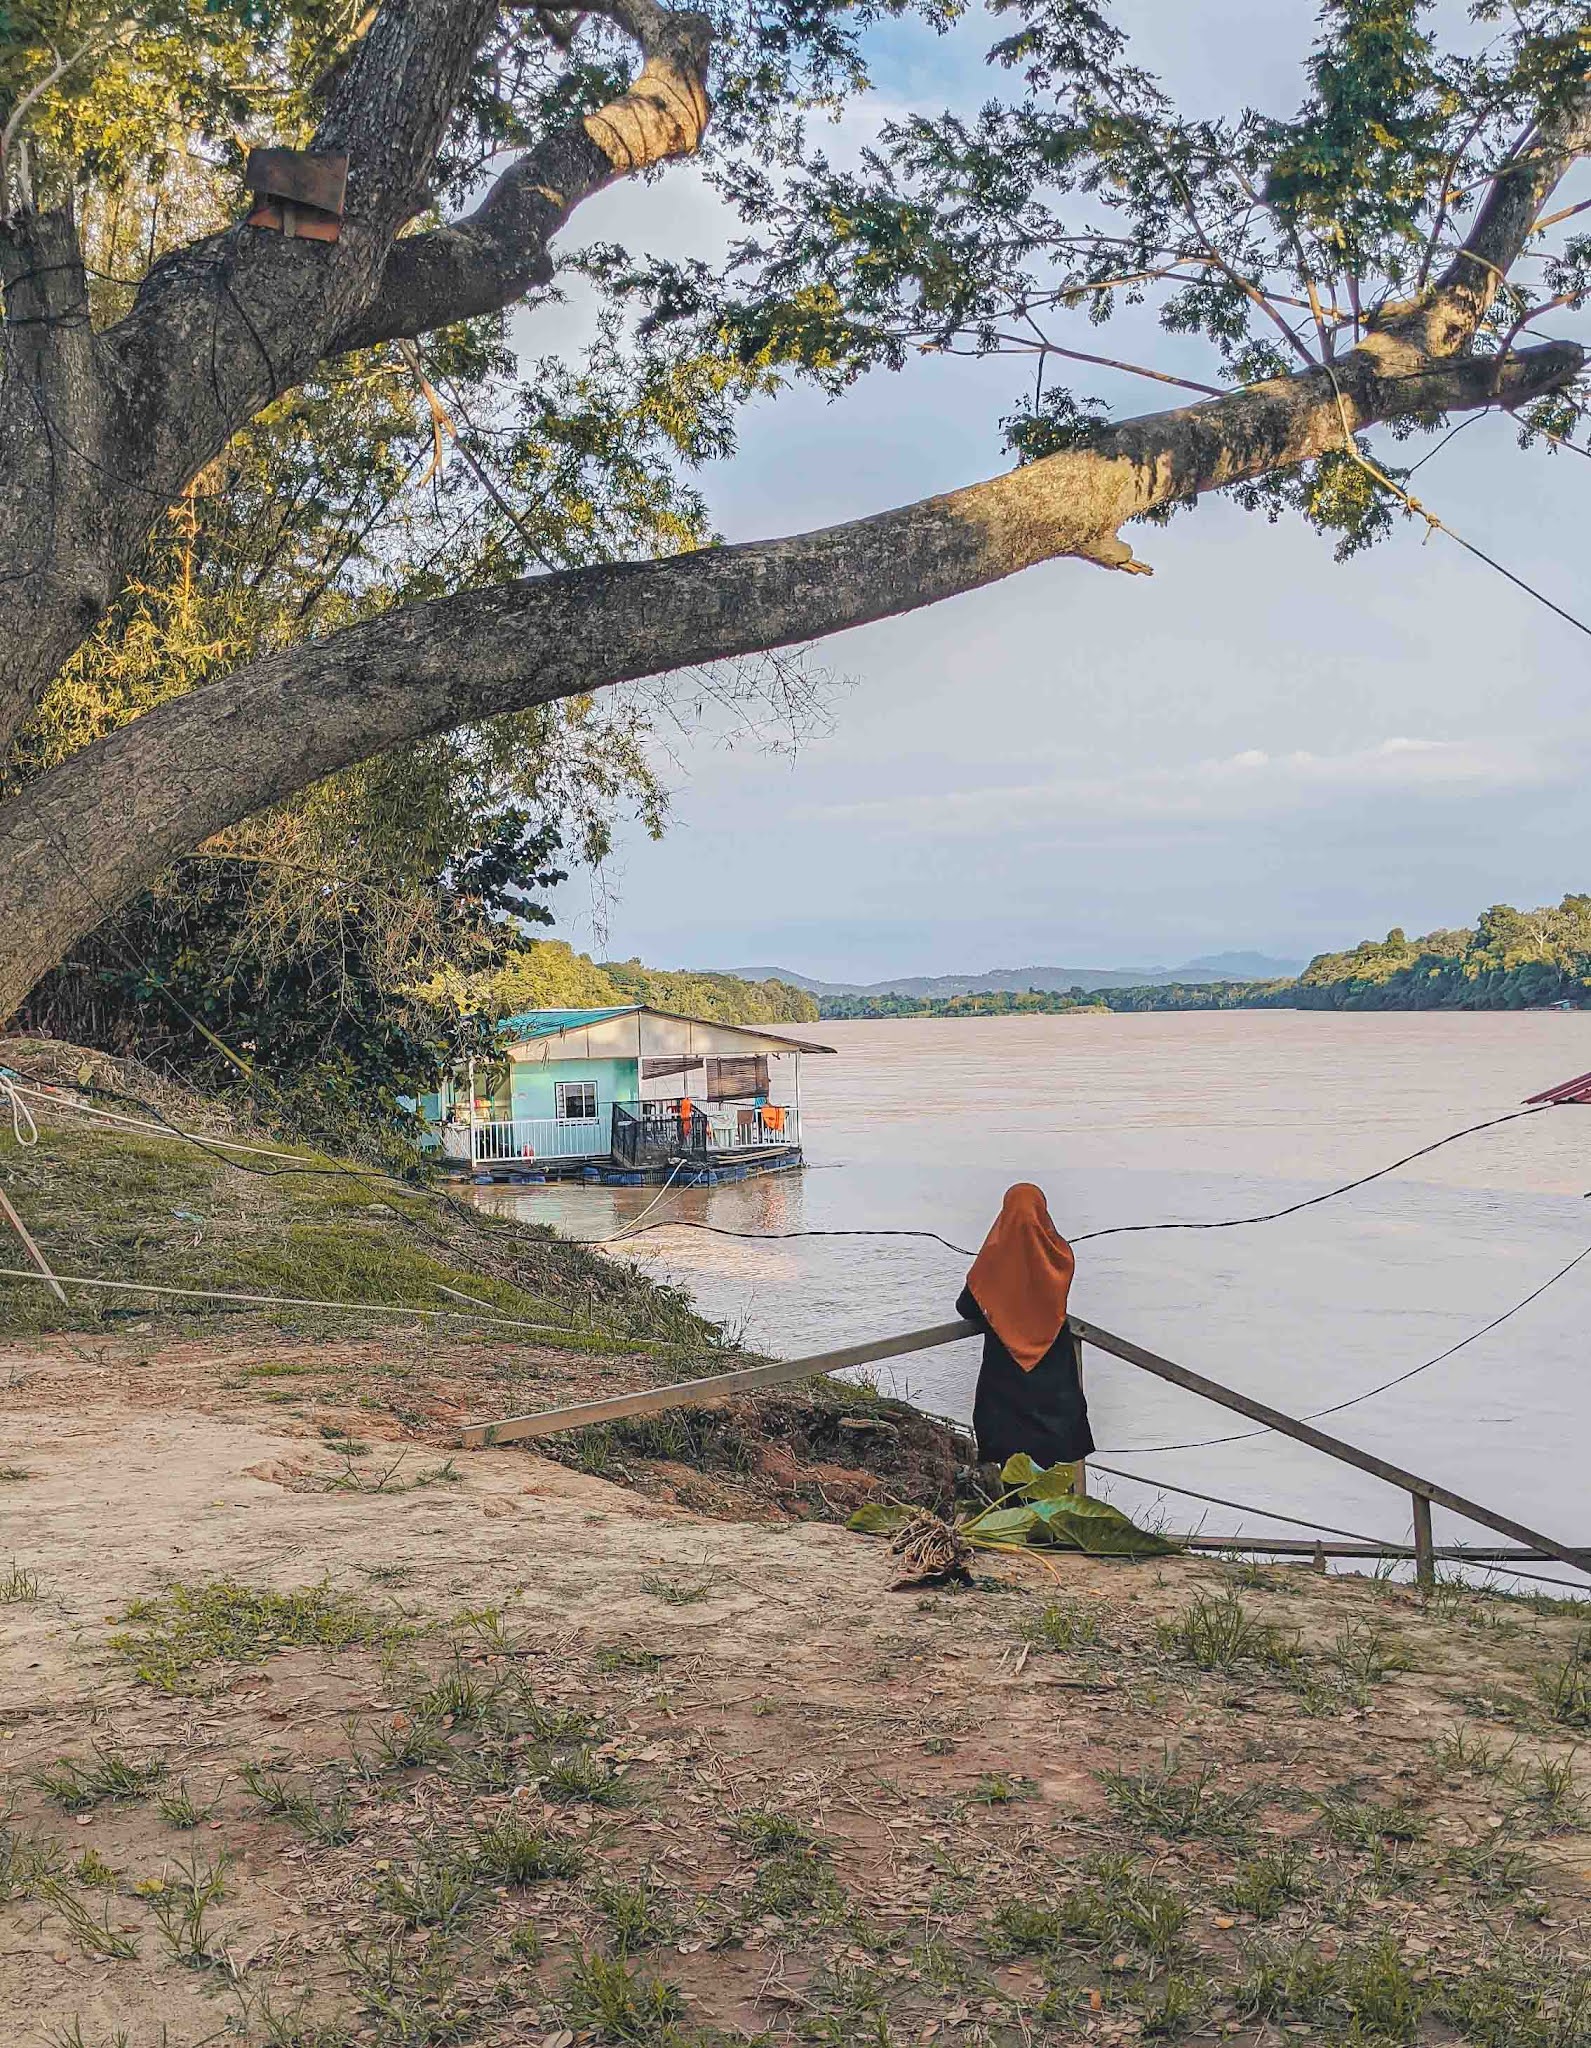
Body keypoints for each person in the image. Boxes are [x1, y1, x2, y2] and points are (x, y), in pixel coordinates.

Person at [957, 1182, 1093, 1471]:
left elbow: (966, 1306)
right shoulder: (1059, 1255)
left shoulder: (993, 1260)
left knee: (1014, 1480)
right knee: (1052, 1478)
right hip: (1054, 1385)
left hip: (1006, 1390)